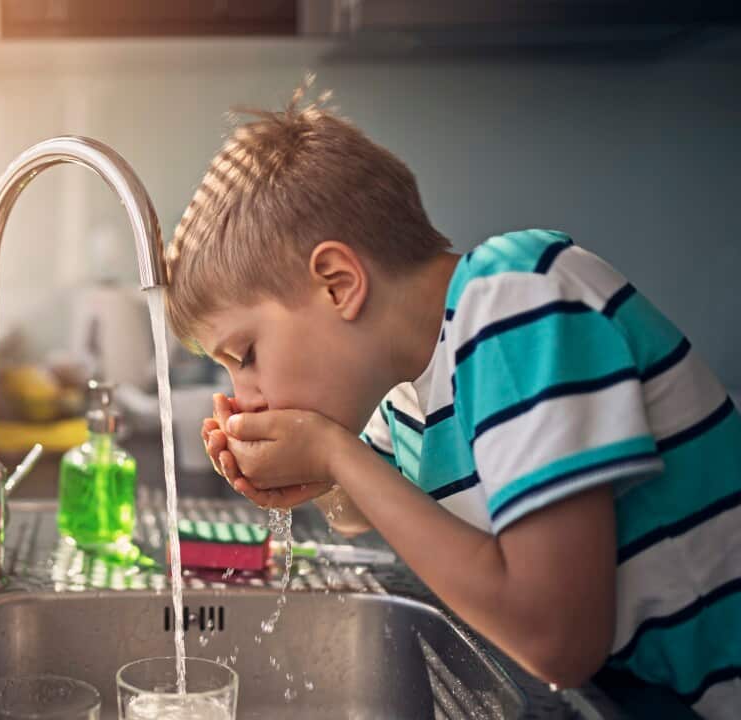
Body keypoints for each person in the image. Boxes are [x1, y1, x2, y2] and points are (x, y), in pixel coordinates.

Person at [164, 81, 741, 719]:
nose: (243, 398)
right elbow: (360, 509)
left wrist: (331, 453)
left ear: (338, 284)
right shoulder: (408, 385)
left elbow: (558, 642)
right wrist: (306, 475)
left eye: (245, 355)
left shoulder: (515, 298)